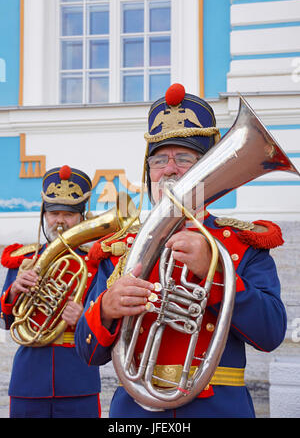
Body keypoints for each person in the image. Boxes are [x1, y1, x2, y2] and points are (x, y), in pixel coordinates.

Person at [75, 84, 287, 418]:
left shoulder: (241, 244)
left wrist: (215, 273)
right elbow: (87, 353)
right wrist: (105, 310)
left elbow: (271, 332)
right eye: (159, 160)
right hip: (135, 414)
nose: (169, 169)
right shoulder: (119, 249)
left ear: (211, 168)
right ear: (149, 172)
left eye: (184, 158)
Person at [0, 165, 101, 418]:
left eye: (68, 214)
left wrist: (85, 318)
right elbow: (6, 322)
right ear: (44, 215)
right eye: (54, 213)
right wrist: (13, 294)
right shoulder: (24, 261)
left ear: (82, 217)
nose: (60, 221)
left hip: (79, 379)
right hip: (28, 380)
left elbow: (109, 325)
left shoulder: (95, 263)